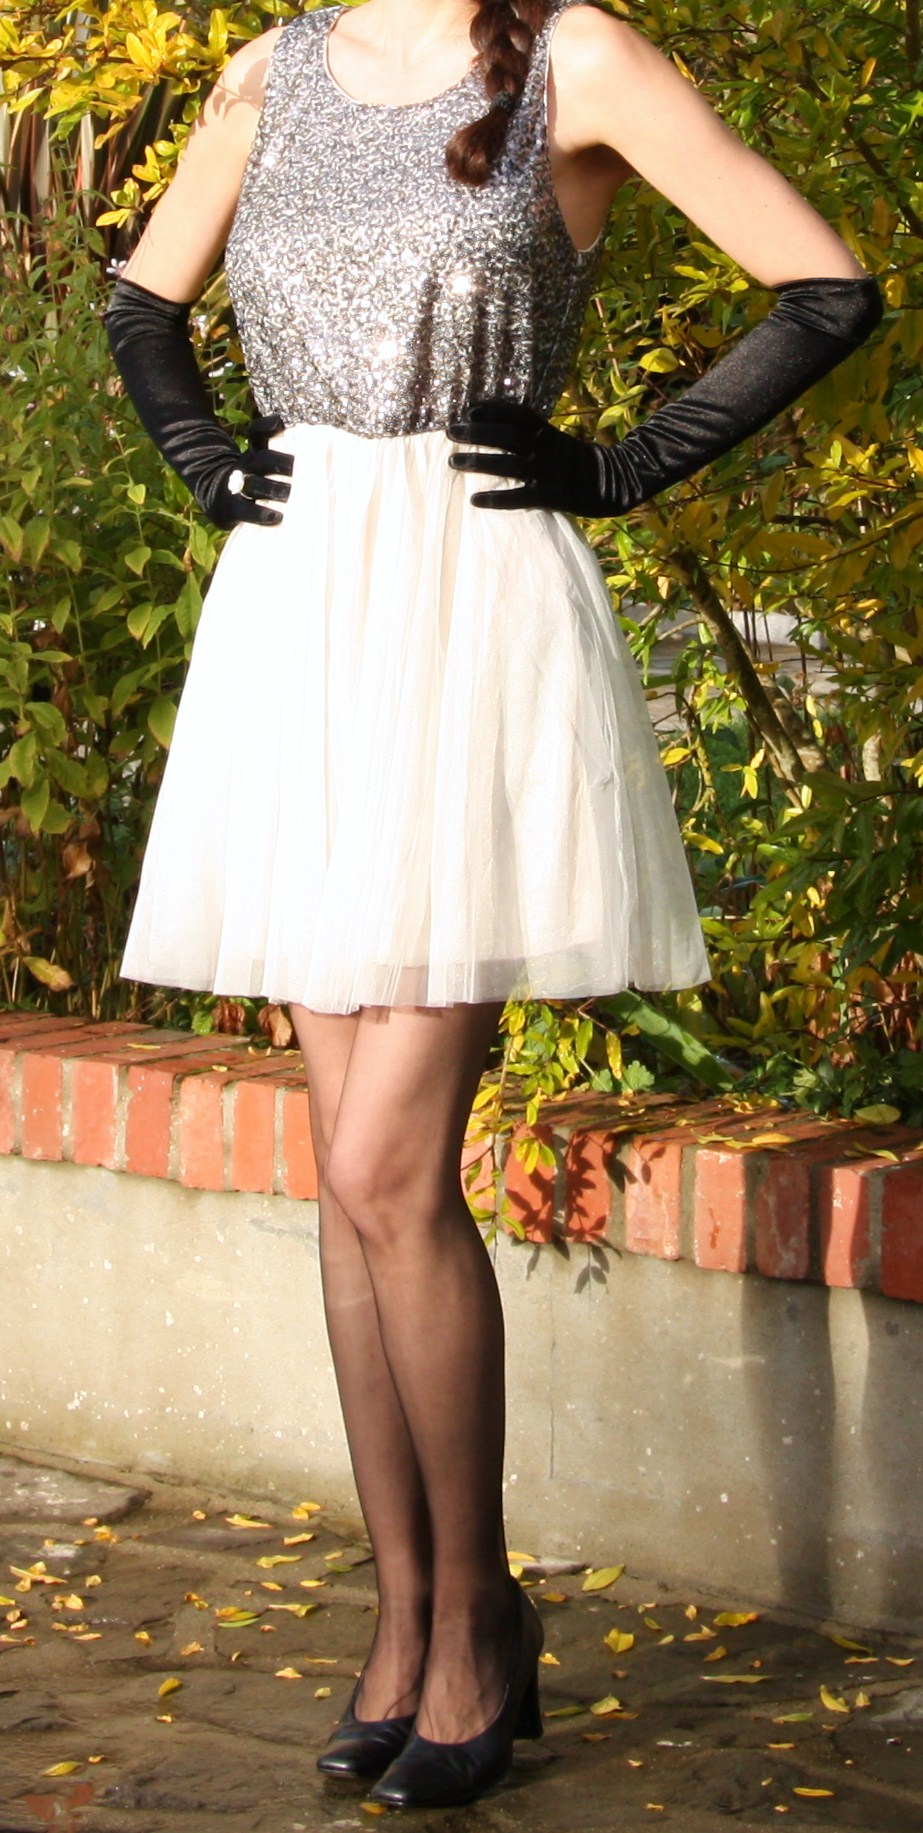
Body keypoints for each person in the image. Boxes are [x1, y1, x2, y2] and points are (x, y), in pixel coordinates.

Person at [103, 0, 882, 1810]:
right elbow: (142, 304)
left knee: (388, 1166)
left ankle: (474, 1624)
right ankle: (406, 1625)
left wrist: (620, 465)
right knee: (344, 1176)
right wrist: (204, 458)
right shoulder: (267, 72)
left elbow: (826, 289)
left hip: (471, 615)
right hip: (300, 615)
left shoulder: (574, 58)